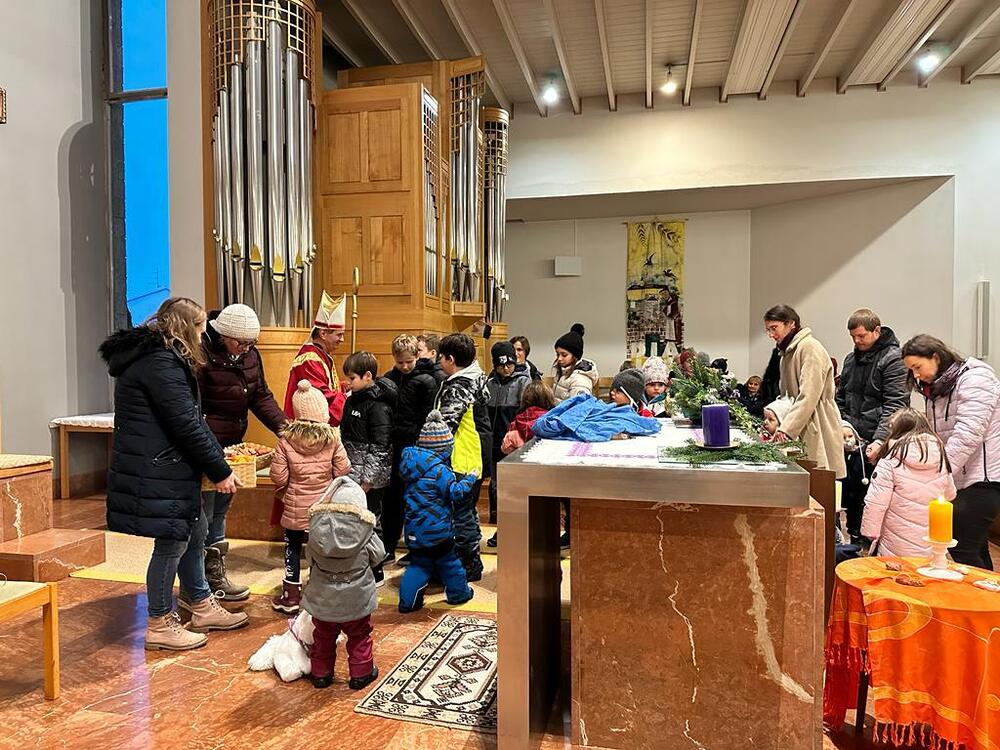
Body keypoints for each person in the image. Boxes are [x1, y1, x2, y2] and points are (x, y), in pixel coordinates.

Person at [99, 297, 247, 652]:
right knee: (171, 543)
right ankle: (160, 623)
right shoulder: (160, 362)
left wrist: (218, 459)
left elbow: (192, 418)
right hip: (160, 466)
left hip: (167, 463)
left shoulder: (163, 358)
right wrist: (220, 471)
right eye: (200, 326)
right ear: (184, 328)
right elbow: (184, 424)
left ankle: (201, 604)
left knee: (194, 530)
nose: (203, 333)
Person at [197, 303, 287, 601]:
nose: (247, 348)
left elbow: (260, 395)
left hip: (232, 446)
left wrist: (285, 428)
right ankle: (198, 581)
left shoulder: (250, 355)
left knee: (221, 509)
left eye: (252, 343)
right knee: (204, 512)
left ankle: (215, 573)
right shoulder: (201, 352)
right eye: (241, 342)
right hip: (204, 445)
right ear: (223, 335)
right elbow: (193, 408)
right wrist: (209, 450)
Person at [902, 334, 1000, 569]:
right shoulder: (936, 390)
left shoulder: (975, 378)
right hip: (960, 476)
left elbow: (968, 434)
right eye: (911, 370)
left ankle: (978, 591)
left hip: (985, 476)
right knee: (973, 547)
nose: (916, 375)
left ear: (935, 357)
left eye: (918, 367)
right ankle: (987, 590)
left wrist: (940, 473)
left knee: (962, 545)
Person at [269, 380, 351, 614]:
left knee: (292, 547)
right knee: (321, 548)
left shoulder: (286, 441)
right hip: (323, 507)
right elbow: (343, 470)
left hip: (295, 507)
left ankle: (290, 596)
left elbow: (278, 477)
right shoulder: (333, 439)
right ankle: (319, 591)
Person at [301, 476, 384, 690]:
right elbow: (379, 555)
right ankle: (361, 674)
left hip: (323, 599)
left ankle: (320, 673)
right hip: (357, 599)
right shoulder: (365, 531)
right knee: (359, 635)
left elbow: (310, 558)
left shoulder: (317, 530)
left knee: (323, 635)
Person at [835, 309, 909, 543]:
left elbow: (895, 404)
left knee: (871, 500)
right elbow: (841, 397)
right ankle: (853, 542)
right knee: (850, 497)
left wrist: (880, 439)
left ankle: (868, 546)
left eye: (861, 336)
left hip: (877, 439)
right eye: (853, 337)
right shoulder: (850, 359)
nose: (857, 341)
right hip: (850, 438)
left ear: (877, 330)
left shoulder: (894, 359)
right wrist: (842, 424)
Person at [397, 411, 478, 613]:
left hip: (414, 530)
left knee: (418, 565)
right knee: (450, 564)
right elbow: (455, 493)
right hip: (438, 531)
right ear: (444, 449)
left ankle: (408, 603)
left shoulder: (410, 466)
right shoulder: (440, 471)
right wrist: (470, 478)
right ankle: (459, 594)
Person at [860, 408, 957, 558]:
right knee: (926, 569)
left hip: (895, 538)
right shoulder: (941, 457)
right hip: (931, 538)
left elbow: (876, 502)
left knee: (896, 570)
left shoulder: (890, 461)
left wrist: (870, 532)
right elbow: (950, 494)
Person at [434, 333, 492, 581]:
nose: (439, 361)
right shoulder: (475, 379)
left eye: (441, 357)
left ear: (451, 359)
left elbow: (445, 427)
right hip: (471, 456)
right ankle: (468, 561)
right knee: (466, 512)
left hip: (459, 457)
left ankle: (468, 564)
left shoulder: (459, 387)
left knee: (461, 515)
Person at [764, 305, 846, 478]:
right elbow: (786, 397)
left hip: (817, 420)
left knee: (819, 481)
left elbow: (809, 395)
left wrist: (787, 429)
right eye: (768, 330)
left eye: (774, 328)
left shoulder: (809, 347)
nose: (771, 335)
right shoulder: (786, 352)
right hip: (799, 421)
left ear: (791, 324)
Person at [340, 351, 397, 586]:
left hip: (370, 478)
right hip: (352, 472)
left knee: (372, 521)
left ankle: (377, 570)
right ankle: (358, 567)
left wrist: (368, 479)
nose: (348, 383)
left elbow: (381, 447)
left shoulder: (379, 407)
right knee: (354, 522)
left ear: (367, 376)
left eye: (352, 378)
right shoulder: (352, 400)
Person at [382, 334, 439, 566]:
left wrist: (420, 445)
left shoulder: (427, 381)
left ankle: (416, 549)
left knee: (416, 500)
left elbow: (427, 417)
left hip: (415, 447)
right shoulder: (388, 379)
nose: (405, 367)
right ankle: (388, 546)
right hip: (393, 446)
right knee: (391, 499)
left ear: (417, 356)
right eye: (400, 362)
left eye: (409, 361)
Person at [484, 342, 531, 546]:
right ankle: (499, 525)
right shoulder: (489, 383)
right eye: (501, 365)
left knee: (513, 488)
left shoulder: (523, 381)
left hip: (514, 444)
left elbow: (526, 414)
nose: (506, 369)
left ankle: (514, 528)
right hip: (493, 443)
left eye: (509, 364)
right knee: (496, 487)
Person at [284, 290, 348, 426]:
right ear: (323, 333)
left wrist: (344, 387)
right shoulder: (310, 360)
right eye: (339, 335)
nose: (342, 339)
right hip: (310, 428)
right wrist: (347, 398)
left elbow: (327, 387)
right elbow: (320, 398)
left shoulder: (321, 355)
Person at [500, 381, 557, 455]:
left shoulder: (516, 422)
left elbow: (505, 448)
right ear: (549, 398)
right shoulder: (554, 421)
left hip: (520, 460)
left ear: (525, 399)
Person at [552, 323, 600, 403]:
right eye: (557, 354)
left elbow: (578, 409)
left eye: (564, 355)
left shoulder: (580, 381)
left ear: (575, 356)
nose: (559, 358)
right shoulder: (563, 372)